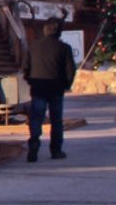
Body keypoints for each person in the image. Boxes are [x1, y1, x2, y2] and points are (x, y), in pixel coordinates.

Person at [24, 19, 78, 162]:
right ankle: (56, 150)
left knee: (36, 119)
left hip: (38, 87)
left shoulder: (33, 46)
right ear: (58, 32)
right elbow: (70, 70)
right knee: (56, 120)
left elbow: (25, 67)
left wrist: (30, 80)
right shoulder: (64, 48)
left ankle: (34, 145)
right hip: (56, 88)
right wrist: (67, 84)